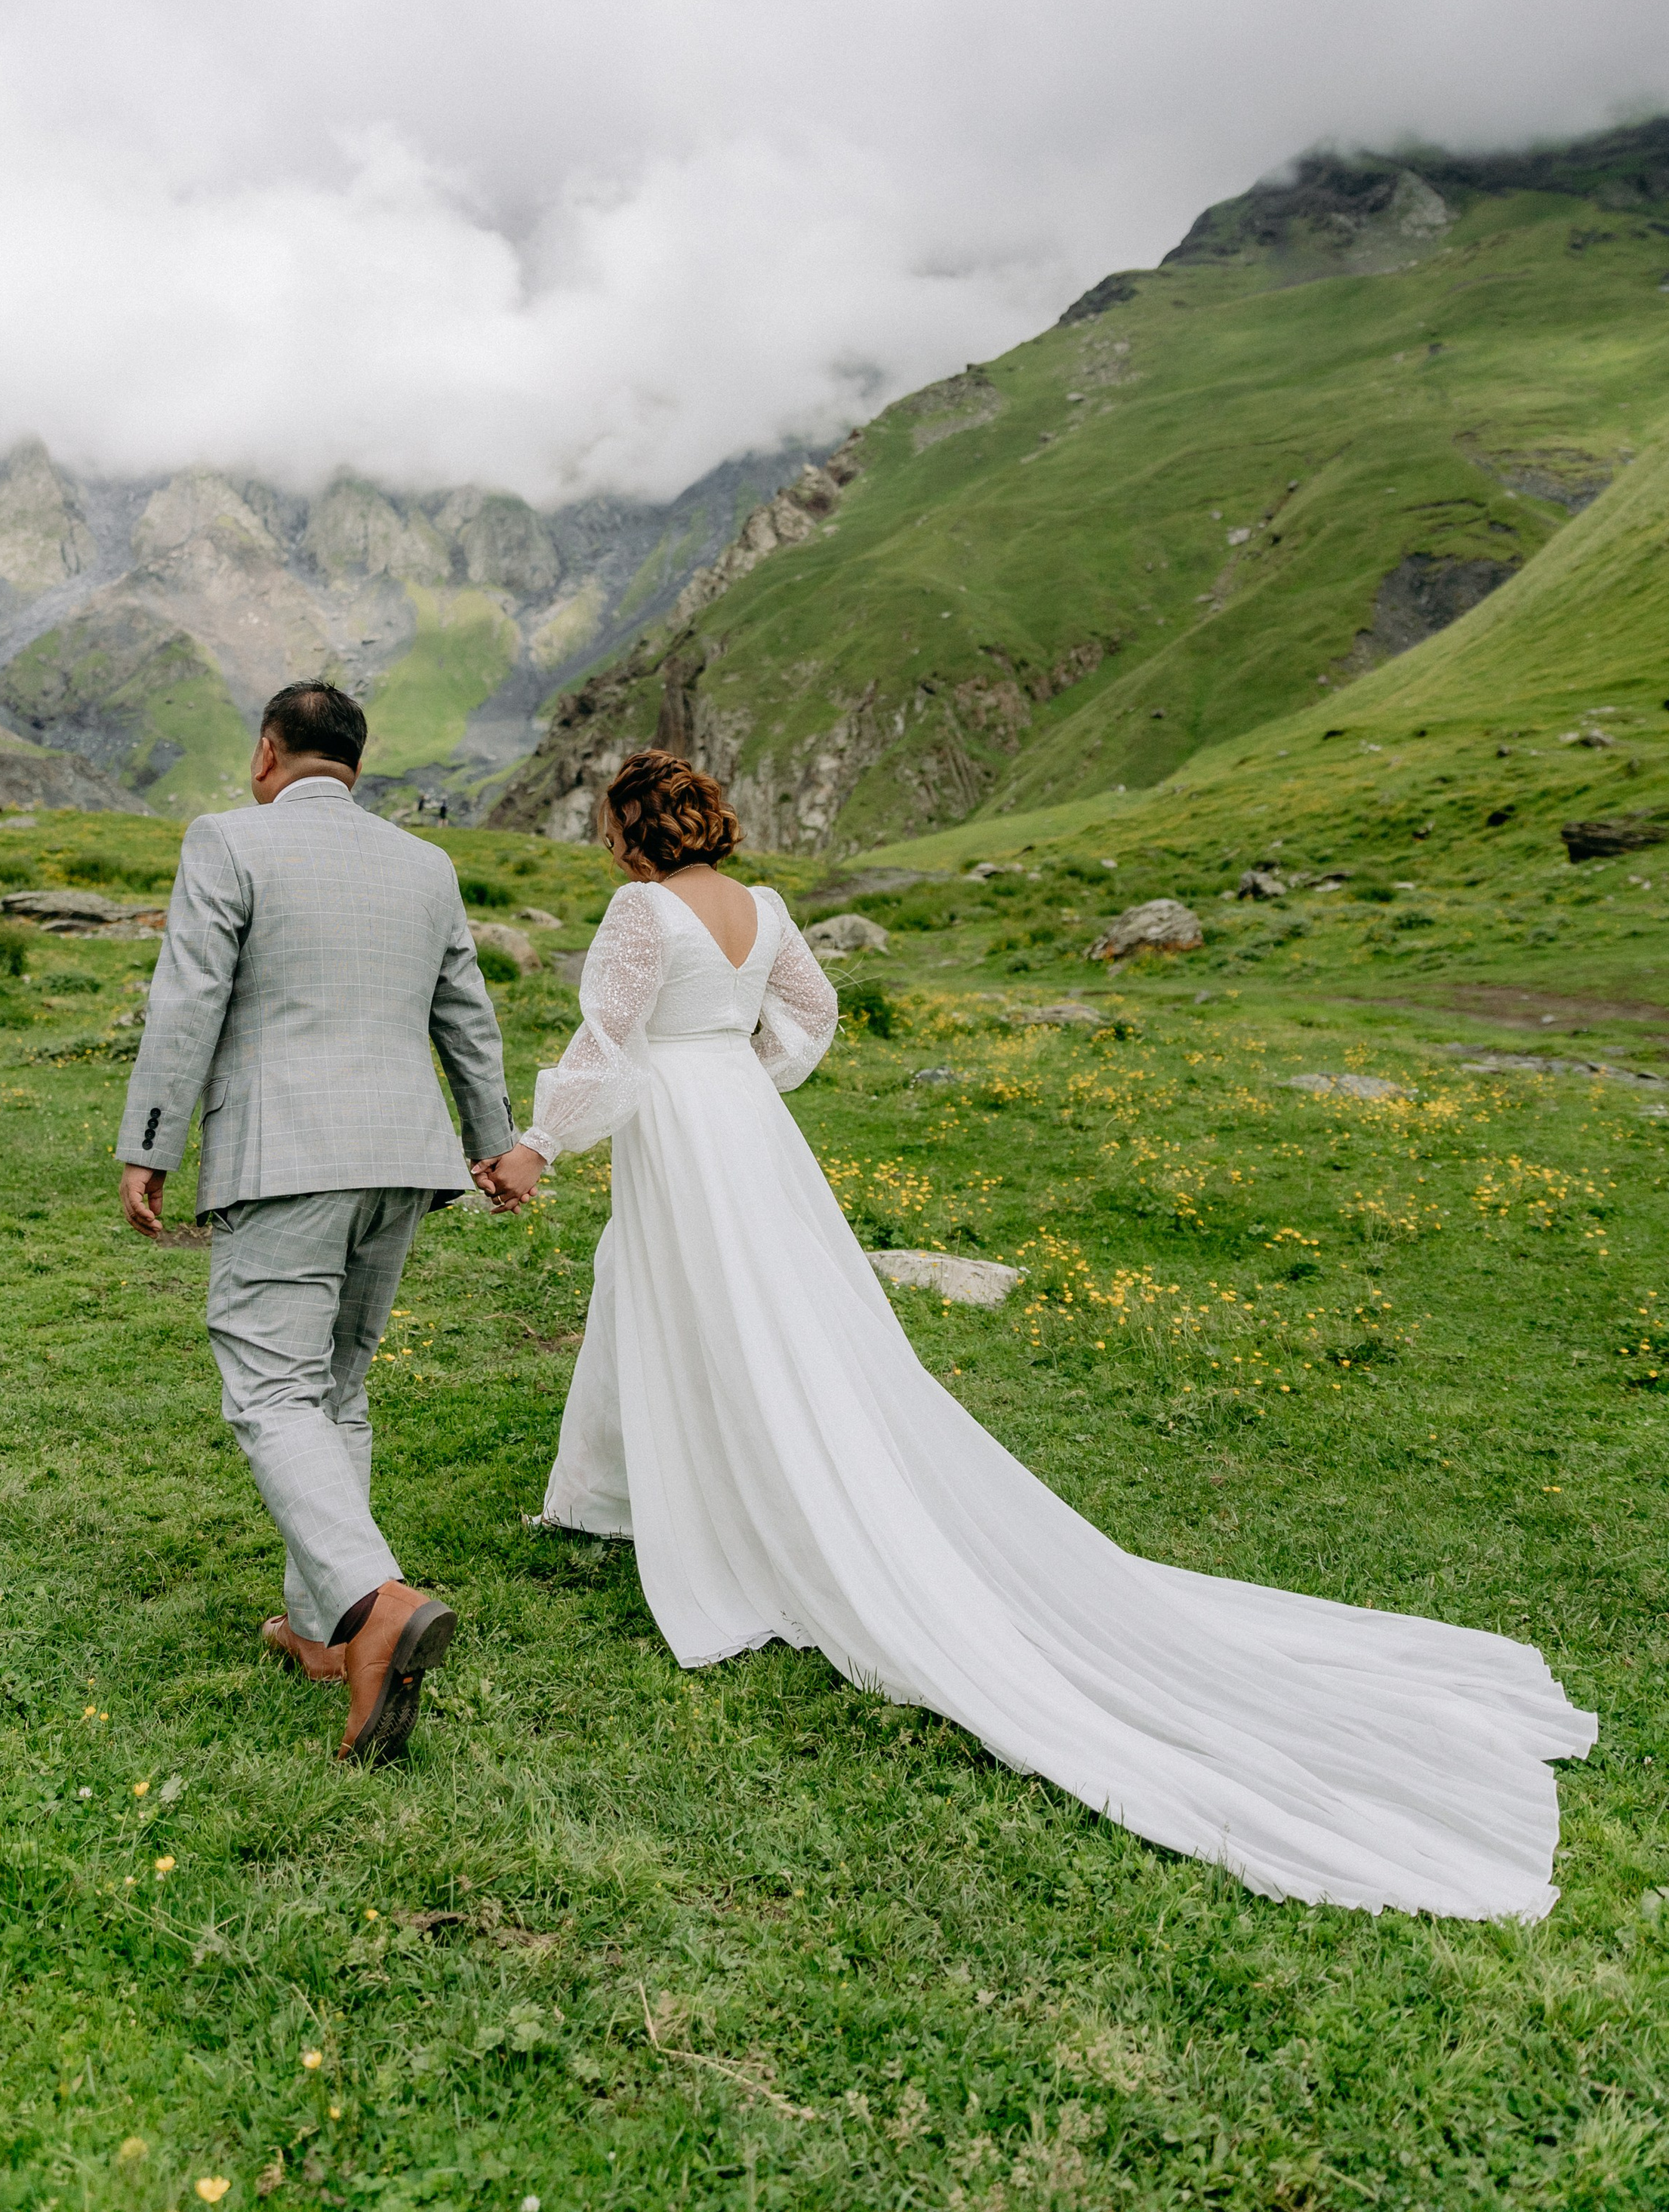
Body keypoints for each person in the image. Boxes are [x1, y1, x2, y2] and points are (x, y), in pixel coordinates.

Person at [479, 749, 1596, 1918]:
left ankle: (721, 1503)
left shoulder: (640, 910)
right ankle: (604, 1491)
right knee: (732, 1303)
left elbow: (607, 1043)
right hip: (745, 1125)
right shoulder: (761, 909)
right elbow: (814, 1011)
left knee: (697, 1300)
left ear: (628, 832)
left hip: (682, 1120)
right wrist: (742, 1072)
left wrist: (537, 1146)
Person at [116, 680, 527, 1766]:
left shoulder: (227, 840)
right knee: (336, 1386)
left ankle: (369, 1607)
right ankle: (313, 1632)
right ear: (357, 762)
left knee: (267, 1388)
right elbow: (466, 1015)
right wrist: (489, 1139)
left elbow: (187, 997)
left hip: (286, 1156)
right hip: (405, 1155)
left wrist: (151, 1141)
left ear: (266, 754)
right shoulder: (424, 864)